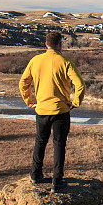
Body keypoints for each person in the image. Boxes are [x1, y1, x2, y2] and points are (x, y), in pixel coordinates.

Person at [18, 31, 85, 192]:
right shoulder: (65, 62)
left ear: (46, 44)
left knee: (40, 142)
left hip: (41, 110)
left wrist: (30, 102)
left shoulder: (35, 61)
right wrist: (75, 103)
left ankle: (35, 175)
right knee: (59, 145)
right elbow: (80, 84)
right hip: (61, 111)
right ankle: (57, 181)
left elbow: (23, 83)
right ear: (60, 44)